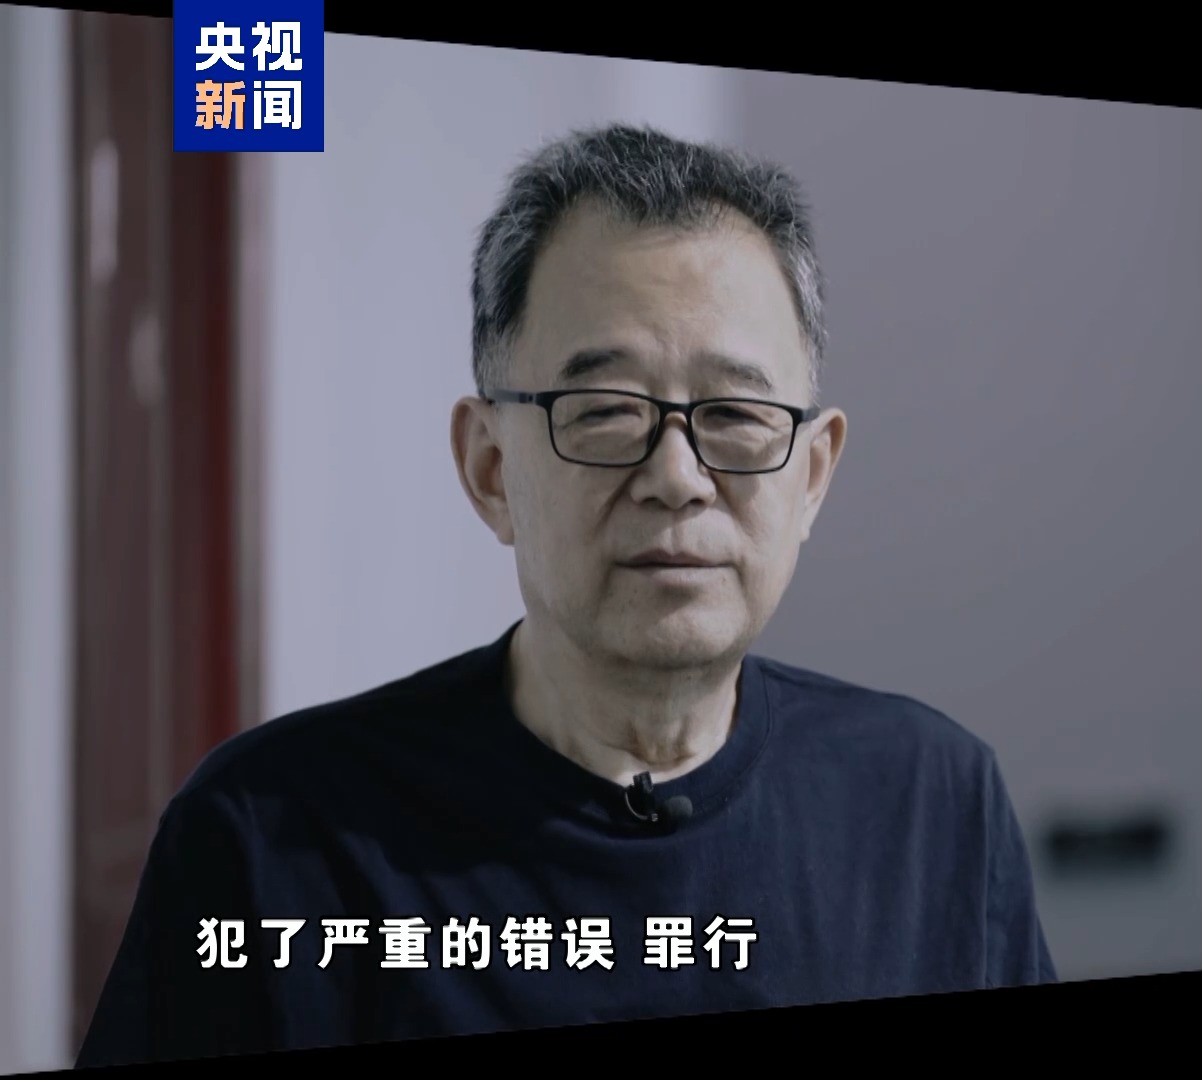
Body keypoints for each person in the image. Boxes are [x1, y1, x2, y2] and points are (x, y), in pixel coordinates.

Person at [75, 124, 1055, 1067]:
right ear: (490, 468)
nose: (677, 476)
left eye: (735, 414)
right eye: (606, 412)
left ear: (812, 475)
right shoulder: (274, 840)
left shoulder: (932, 805)